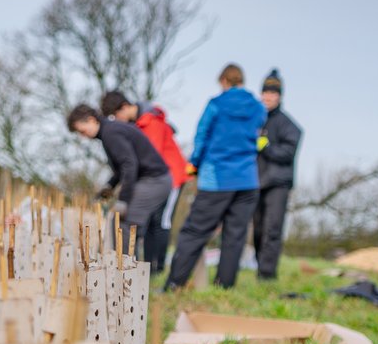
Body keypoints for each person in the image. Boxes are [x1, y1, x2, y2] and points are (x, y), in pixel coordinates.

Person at [164, 64, 266, 290]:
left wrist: (194, 164)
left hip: (217, 178)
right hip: (248, 180)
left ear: (224, 82)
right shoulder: (258, 108)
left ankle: (174, 283)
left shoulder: (216, 105)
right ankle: (224, 286)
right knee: (235, 235)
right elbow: (258, 132)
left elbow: (202, 136)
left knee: (195, 231)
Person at [67, 104, 172, 258]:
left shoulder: (111, 133)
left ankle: (126, 277)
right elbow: (122, 169)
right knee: (121, 223)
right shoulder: (110, 130)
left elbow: (130, 165)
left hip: (155, 180)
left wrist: (123, 200)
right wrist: (109, 186)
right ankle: (127, 271)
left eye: (82, 131)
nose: (83, 136)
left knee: (123, 224)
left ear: (91, 120)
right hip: (152, 179)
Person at [99, 91, 188, 273]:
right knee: (148, 222)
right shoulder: (138, 124)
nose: (116, 120)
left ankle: (157, 268)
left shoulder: (151, 123)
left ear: (124, 107)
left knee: (161, 222)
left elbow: (146, 158)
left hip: (172, 177)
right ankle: (148, 266)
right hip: (155, 180)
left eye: (116, 116)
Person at [252, 69, 302, 280]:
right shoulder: (256, 120)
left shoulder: (287, 124)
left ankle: (267, 274)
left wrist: (267, 147)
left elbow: (289, 151)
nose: (267, 97)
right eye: (264, 93)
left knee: (272, 229)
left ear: (279, 96)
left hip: (277, 183)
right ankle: (259, 265)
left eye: (272, 94)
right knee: (257, 231)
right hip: (257, 182)